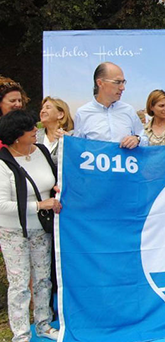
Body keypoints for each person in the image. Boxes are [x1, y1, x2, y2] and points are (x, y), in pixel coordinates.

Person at [0, 110, 61, 342]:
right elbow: (2, 204)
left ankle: (43, 324)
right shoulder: (3, 162)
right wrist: (39, 205)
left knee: (44, 279)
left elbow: (55, 178)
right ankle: (21, 334)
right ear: (17, 136)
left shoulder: (42, 152)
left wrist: (56, 190)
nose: (36, 129)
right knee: (19, 284)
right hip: (13, 232)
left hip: (41, 229)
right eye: (30, 128)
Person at [73, 62, 148, 148]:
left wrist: (137, 139)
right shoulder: (83, 113)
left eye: (123, 82)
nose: (122, 88)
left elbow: (144, 139)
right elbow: (77, 148)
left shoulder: (128, 110)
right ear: (100, 83)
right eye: (117, 82)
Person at [37, 97, 74, 164]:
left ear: (60, 114)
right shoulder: (35, 135)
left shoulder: (72, 136)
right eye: (42, 108)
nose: (42, 111)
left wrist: (69, 141)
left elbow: (73, 159)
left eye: (48, 108)